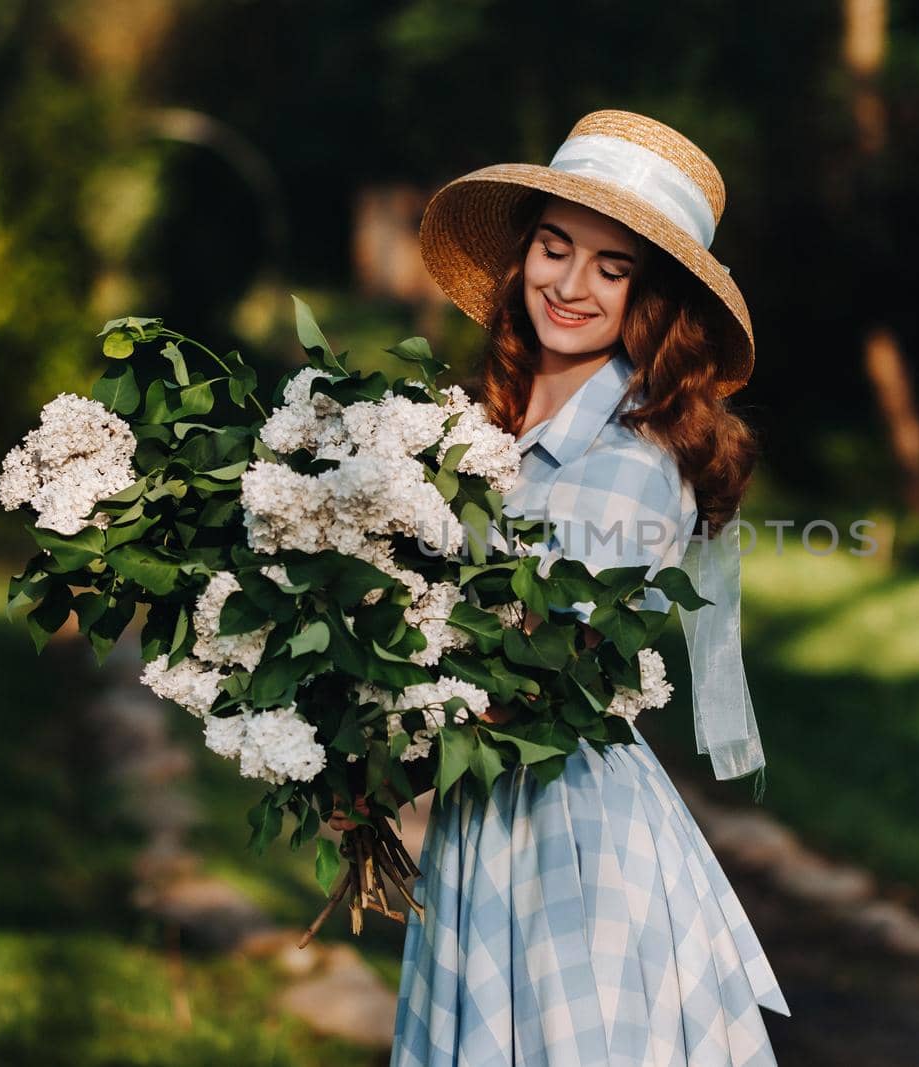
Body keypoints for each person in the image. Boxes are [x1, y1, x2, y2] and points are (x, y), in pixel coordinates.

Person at [338, 108, 788, 1065]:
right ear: (523, 256)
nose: (571, 285)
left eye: (612, 268)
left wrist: (367, 751)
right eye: (554, 247)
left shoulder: (628, 458)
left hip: (567, 834)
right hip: (489, 814)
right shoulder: (485, 432)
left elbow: (527, 674)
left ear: (650, 297)